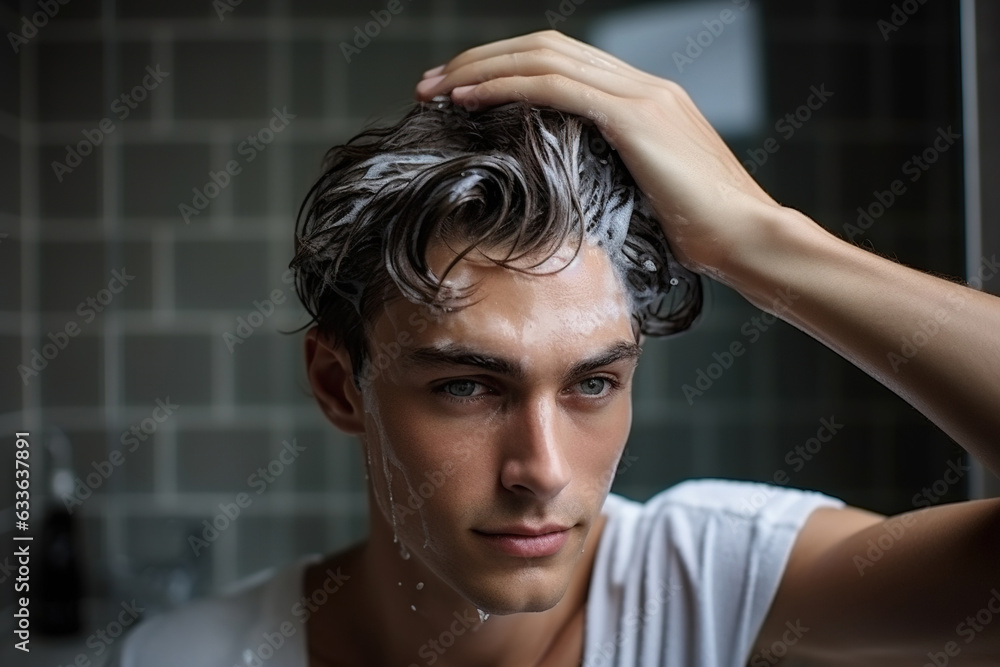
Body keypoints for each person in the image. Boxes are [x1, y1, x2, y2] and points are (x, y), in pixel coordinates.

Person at [106, 30, 1000, 666]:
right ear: (340, 384)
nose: (542, 470)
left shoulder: (712, 582)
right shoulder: (186, 653)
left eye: (594, 382)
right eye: (467, 386)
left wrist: (763, 240)